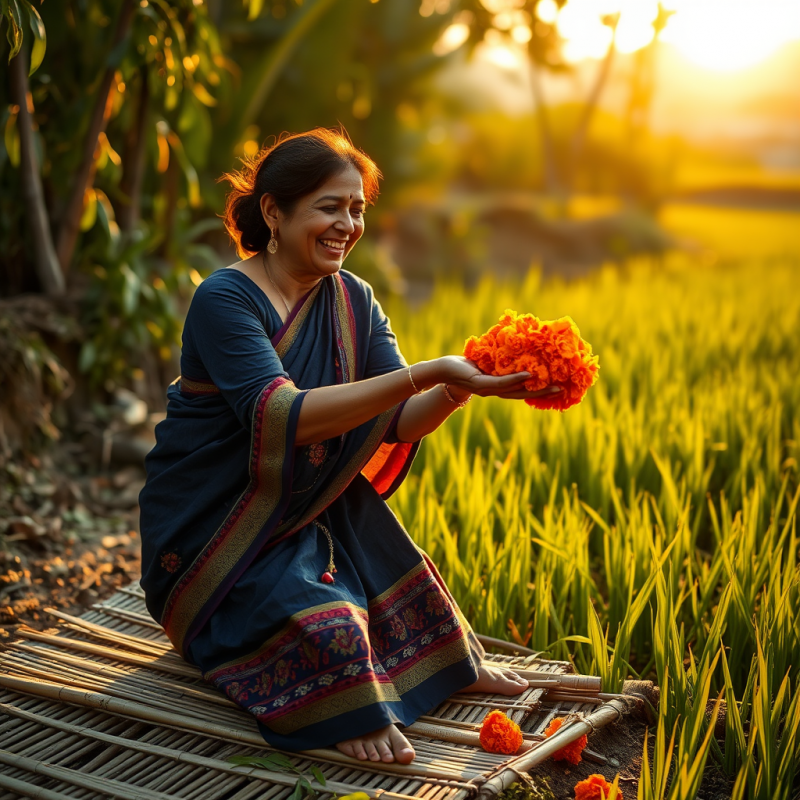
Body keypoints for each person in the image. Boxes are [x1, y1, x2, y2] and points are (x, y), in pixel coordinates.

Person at [138, 128, 560, 765]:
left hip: (304, 508)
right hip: (213, 529)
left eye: (357, 208)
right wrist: (429, 370)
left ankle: (437, 666)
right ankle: (336, 694)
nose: (347, 224)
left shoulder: (353, 299)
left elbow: (398, 421)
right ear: (274, 212)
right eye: (329, 207)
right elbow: (283, 416)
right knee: (330, 637)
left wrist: (460, 385)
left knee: (407, 600)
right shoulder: (224, 299)